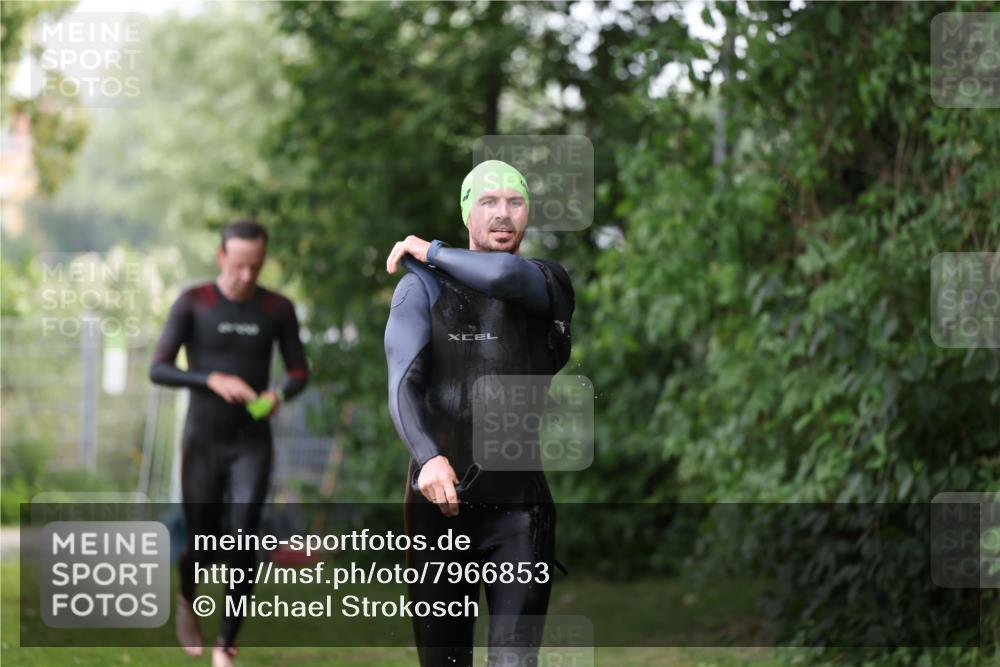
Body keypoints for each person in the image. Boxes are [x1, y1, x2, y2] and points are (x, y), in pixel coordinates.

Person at [384, 160, 574, 666]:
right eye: (488, 202)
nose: (503, 214)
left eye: (515, 201)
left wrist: (431, 249)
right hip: (438, 510)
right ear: (467, 211)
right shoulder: (421, 288)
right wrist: (427, 457)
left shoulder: (545, 283)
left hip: (519, 511)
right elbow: (403, 381)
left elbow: (505, 276)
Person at [149, 219, 309, 667]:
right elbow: (158, 368)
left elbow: (299, 371)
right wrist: (210, 379)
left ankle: (225, 645)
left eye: (255, 267)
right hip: (203, 440)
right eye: (238, 266)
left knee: (244, 540)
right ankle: (187, 601)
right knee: (201, 545)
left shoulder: (277, 308)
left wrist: (278, 394)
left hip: (251, 444)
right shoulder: (193, 303)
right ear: (222, 257)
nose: (245, 276)